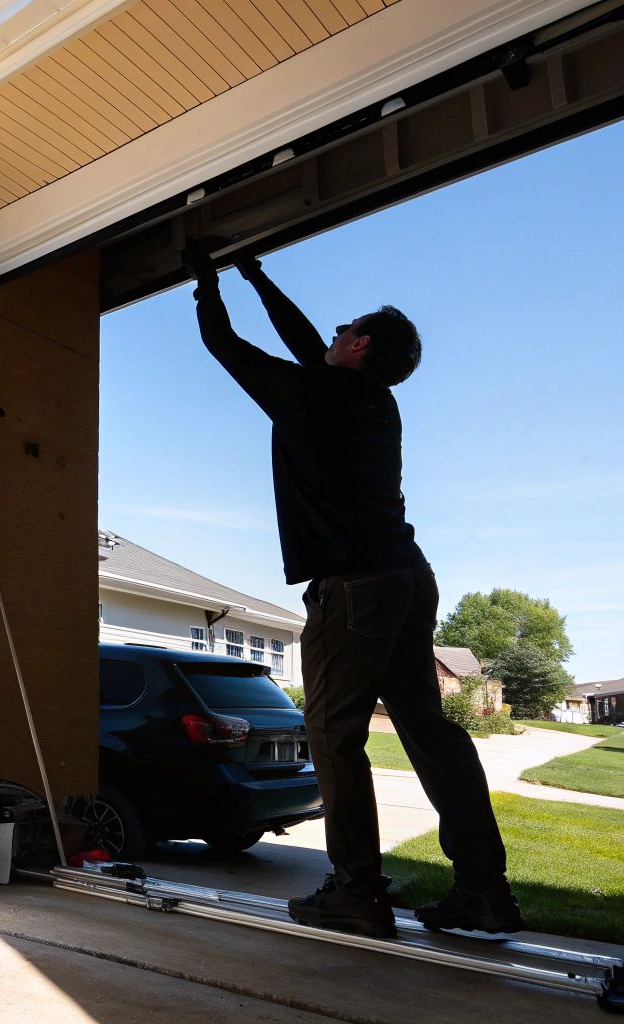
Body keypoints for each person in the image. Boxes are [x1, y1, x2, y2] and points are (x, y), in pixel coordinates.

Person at [180, 237, 524, 939]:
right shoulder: (373, 402)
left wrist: (207, 279)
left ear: (361, 343)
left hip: (355, 588)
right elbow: (311, 343)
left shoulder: (312, 394)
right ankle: (484, 891)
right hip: (407, 577)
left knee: (333, 735)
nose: (329, 333)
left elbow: (222, 341)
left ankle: (356, 891)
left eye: (343, 328)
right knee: (429, 731)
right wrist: (255, 273)